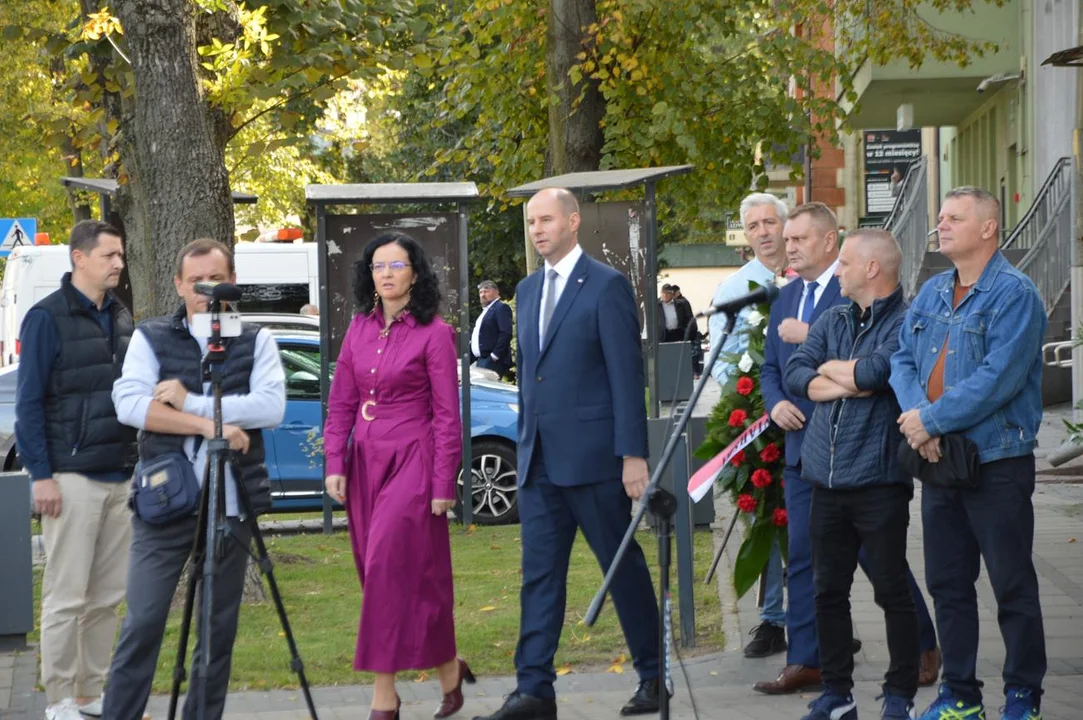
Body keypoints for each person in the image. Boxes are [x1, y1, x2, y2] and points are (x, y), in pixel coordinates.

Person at [474, 188, 661, 720]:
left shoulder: (606, 286)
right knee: (538, 578)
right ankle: (534, 689)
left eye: (547, 219)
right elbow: (532, 377)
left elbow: (626, 378)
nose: (537, 229)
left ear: (573, 221)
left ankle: (654, 677)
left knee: (621, 569)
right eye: (531, 221)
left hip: (597, 461)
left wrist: (633, 456)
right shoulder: (526, 291)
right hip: (538, 465)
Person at [756, 202, 939, 695]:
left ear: (831, 242)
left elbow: (876, 373)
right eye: (786, 238)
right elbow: (780, 370)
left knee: (881, 566)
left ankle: (921, 646)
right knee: (806, 561)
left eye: (798, 239)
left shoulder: (864, 305)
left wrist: (829, 367)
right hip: (807, 453)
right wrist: (776, 403)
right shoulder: (787, 297)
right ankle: (808, 661)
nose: (787, 246)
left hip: (867, 458)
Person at [102, 238, 286, 720]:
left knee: (215, 629)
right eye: (196, 281)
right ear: (179, 284)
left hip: (231, 502)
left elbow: (271, 406)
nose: (206, 291)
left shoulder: (256, 337)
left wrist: (188, 403)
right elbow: (131, 407)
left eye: (215, 280)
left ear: (231, 282)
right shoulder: (151, 336)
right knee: (143, 622)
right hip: (166, 499)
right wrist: (212, 427)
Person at [891, 187, 1047, 720]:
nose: (941, 225)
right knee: (948, 584)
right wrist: (919, 422)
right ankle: (960, 696)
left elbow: (997, 380)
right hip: (938, 462)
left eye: (954, 218)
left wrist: (930, 420)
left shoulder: (1015, 294)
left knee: (1011, 584)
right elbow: (900, 360)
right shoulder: (932, 291)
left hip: (997, 461)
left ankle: (1024, 696)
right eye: (940, 218)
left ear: (988, 228)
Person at [323, 232, 470, 720]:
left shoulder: (435, 333)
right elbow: (341, 400)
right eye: (378, 266)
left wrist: (443, 484)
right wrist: (334, 462)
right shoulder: (359, 328)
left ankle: (384, 696)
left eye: (396, 265)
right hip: (366, 462)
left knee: (386, 568)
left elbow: (448, 415)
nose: (385, 273)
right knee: (397, 577)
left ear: (415, 273)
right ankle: (450, 670)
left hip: (414, 460)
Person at [785, 230, 919, 720]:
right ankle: (838, 694)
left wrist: (843, 374)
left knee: (891, 590)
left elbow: (879, 374)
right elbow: (798, 372)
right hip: (824, 479)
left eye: (843, 263)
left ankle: (899, 693)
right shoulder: (833, 317)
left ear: (872, 269)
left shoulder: (907, 320)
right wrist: (845, 377)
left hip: (879, 480)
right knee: (827, 591)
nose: (836, 271)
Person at [14, 220, 135, 720]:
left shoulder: (122, 315)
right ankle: (60, 697)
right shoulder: (46, 318)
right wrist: (41, 474)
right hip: (70, 476)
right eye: (109, 255)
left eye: (121, 256)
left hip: (120, 472)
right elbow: (28, 403)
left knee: (106, 597)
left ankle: (90, 693)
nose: (118, 264)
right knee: (66, 596)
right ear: (78, 258)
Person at [707, 192, 789, 659]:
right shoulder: (737, 288)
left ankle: (820, 616)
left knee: (820, 526)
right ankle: (772, 620)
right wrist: (750, 398)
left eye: (770, 222)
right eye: (754, 225)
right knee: (768, 520)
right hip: (759, 422)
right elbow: (720, 358)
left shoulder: (815, 276)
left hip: (815, 417)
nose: (763, 231)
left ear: (785, 225)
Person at [471, 279, 514, 379]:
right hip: (481, 359)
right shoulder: (485, 311)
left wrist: (494, 356)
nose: (482, 295)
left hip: (492, 361)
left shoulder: (501, 308)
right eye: (480, 292)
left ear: (496, 292)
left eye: (486, 291)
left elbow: (506, 333)